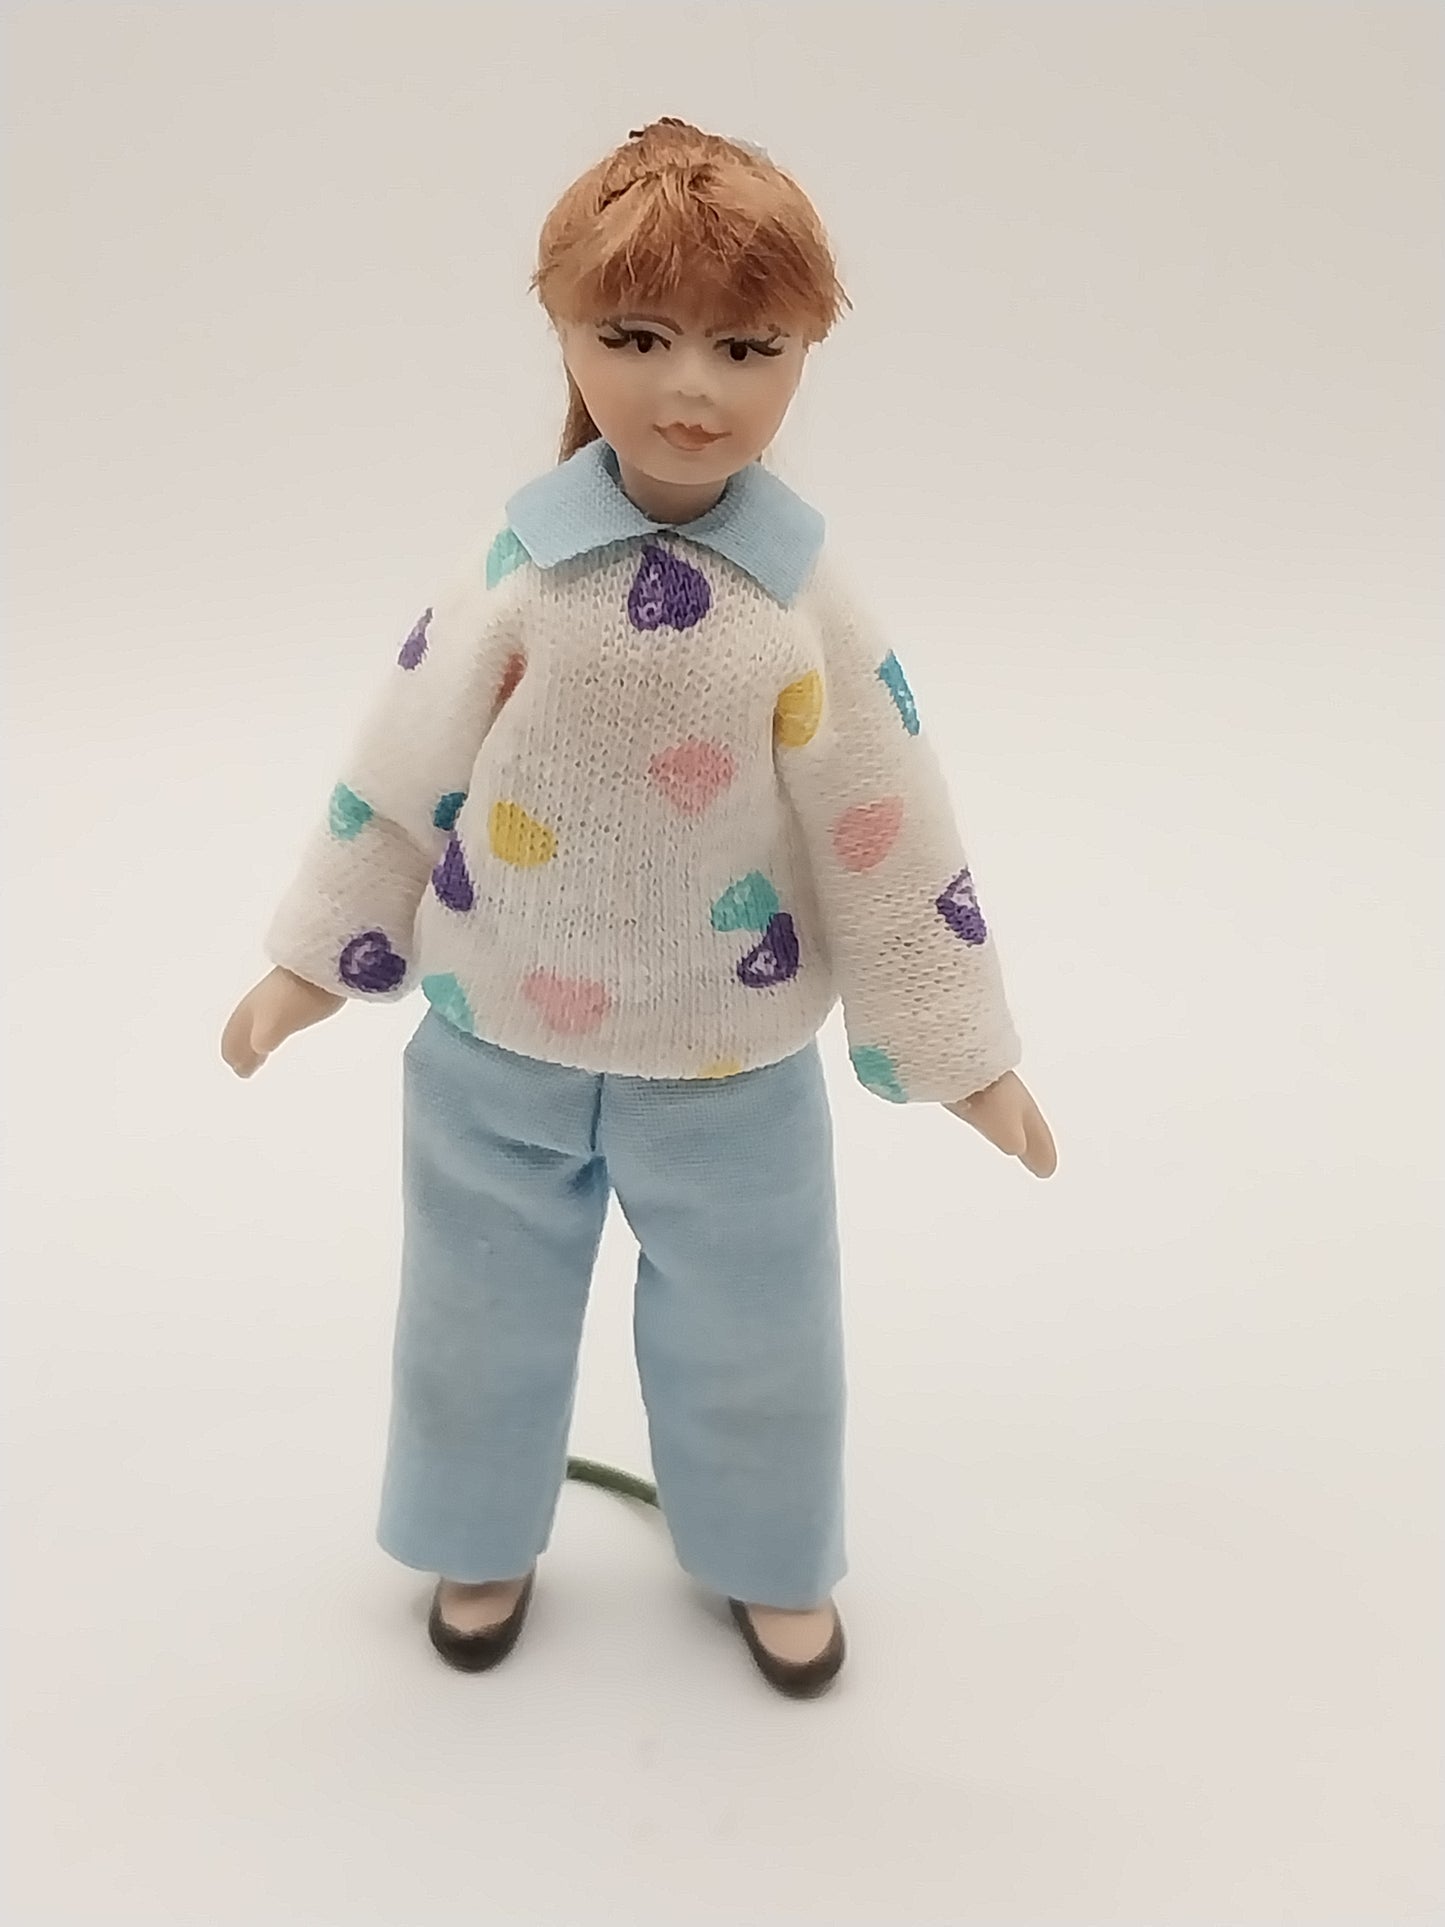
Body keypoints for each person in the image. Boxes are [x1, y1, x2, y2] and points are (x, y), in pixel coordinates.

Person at [221, 117, 1056, 1699]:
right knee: (473, 1313)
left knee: (759, 1330)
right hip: (493, 1040)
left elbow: (885, 828)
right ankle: (477, 1533)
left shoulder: (802, 600)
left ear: (805, 349)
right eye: (634, 338)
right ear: (559, 327)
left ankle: (768, 1554)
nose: (691, 392)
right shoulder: (519, 569)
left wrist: (957, 1046)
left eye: (747, 348)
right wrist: (313, 959)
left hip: (728, 1062)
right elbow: (400, 765)